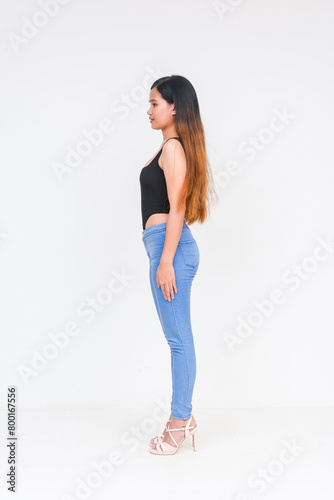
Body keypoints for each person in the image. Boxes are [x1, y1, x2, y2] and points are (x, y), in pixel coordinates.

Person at [139, 75, 218, 455]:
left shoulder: (172, 148)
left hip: (172, 249)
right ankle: (181, 419)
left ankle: (180, 422)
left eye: (155, 103)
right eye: (150, 103)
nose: (149, 110)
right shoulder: (169, 148)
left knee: (178, 339)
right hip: (164, 247)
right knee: (177, 337)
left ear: (174, 107)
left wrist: (166, 259)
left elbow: (178, 207)